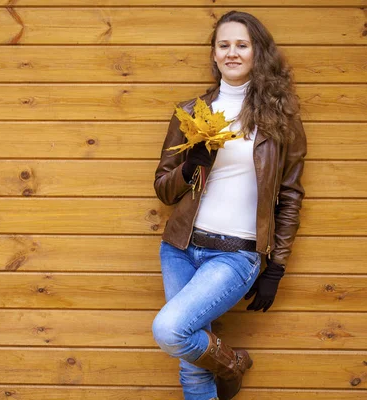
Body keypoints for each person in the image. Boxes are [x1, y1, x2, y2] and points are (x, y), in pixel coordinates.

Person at [152, 11, 307, 400]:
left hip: (237, 255)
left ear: (257, 53)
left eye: (242, 45)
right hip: (180, 249)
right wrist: (190, 167)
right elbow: (163, 189)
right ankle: (230, 363)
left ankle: (234, 363)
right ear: (214, 54)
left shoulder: (280, 119)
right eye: (224, 45)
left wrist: (277, 267)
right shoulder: (190, 113)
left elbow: (289, 196)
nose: (232, 53)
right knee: (192, 366)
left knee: (171, 330)